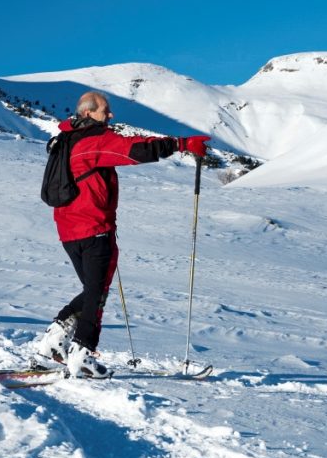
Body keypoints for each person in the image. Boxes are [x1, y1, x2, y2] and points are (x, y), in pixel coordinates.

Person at [31, 91, 210, 378]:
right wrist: (182, 144)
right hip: (94, 229)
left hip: (68, 230)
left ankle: (53, 342)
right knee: (97, 295)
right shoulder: (93, 141)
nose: (110, 115)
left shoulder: (63, 140)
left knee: (92, 291)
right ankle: (83, 354)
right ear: (88, 113)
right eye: (105, 110)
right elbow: (135, 149)